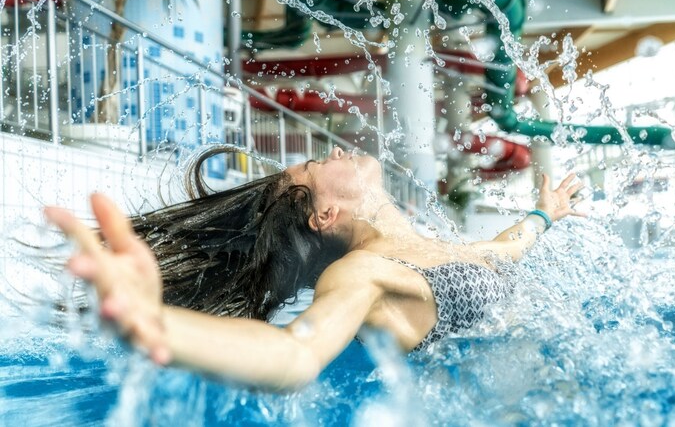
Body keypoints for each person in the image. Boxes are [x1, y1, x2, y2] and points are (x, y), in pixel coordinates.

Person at [44, 145, 585, 391]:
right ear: (326, 214)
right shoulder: (361, 275)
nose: (329, 153)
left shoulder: (430, 246)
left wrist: (544, 215)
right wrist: (159, 324)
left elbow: (499, 250)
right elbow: (296, 354)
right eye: (315, 166)